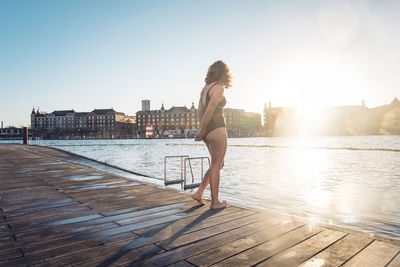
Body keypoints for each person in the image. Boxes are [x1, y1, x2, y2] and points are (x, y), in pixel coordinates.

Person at [192, 60, 232, 209]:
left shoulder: (204, 89)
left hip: (208, 131)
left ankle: (199, 193)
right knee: (216, 164)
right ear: (224, 73)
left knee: (218, 164)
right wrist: (202, 131)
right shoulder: (219, 88)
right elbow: (209, 110)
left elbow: (200, 111)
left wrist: (203, 130)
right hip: (217, 129)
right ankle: (215, 202)